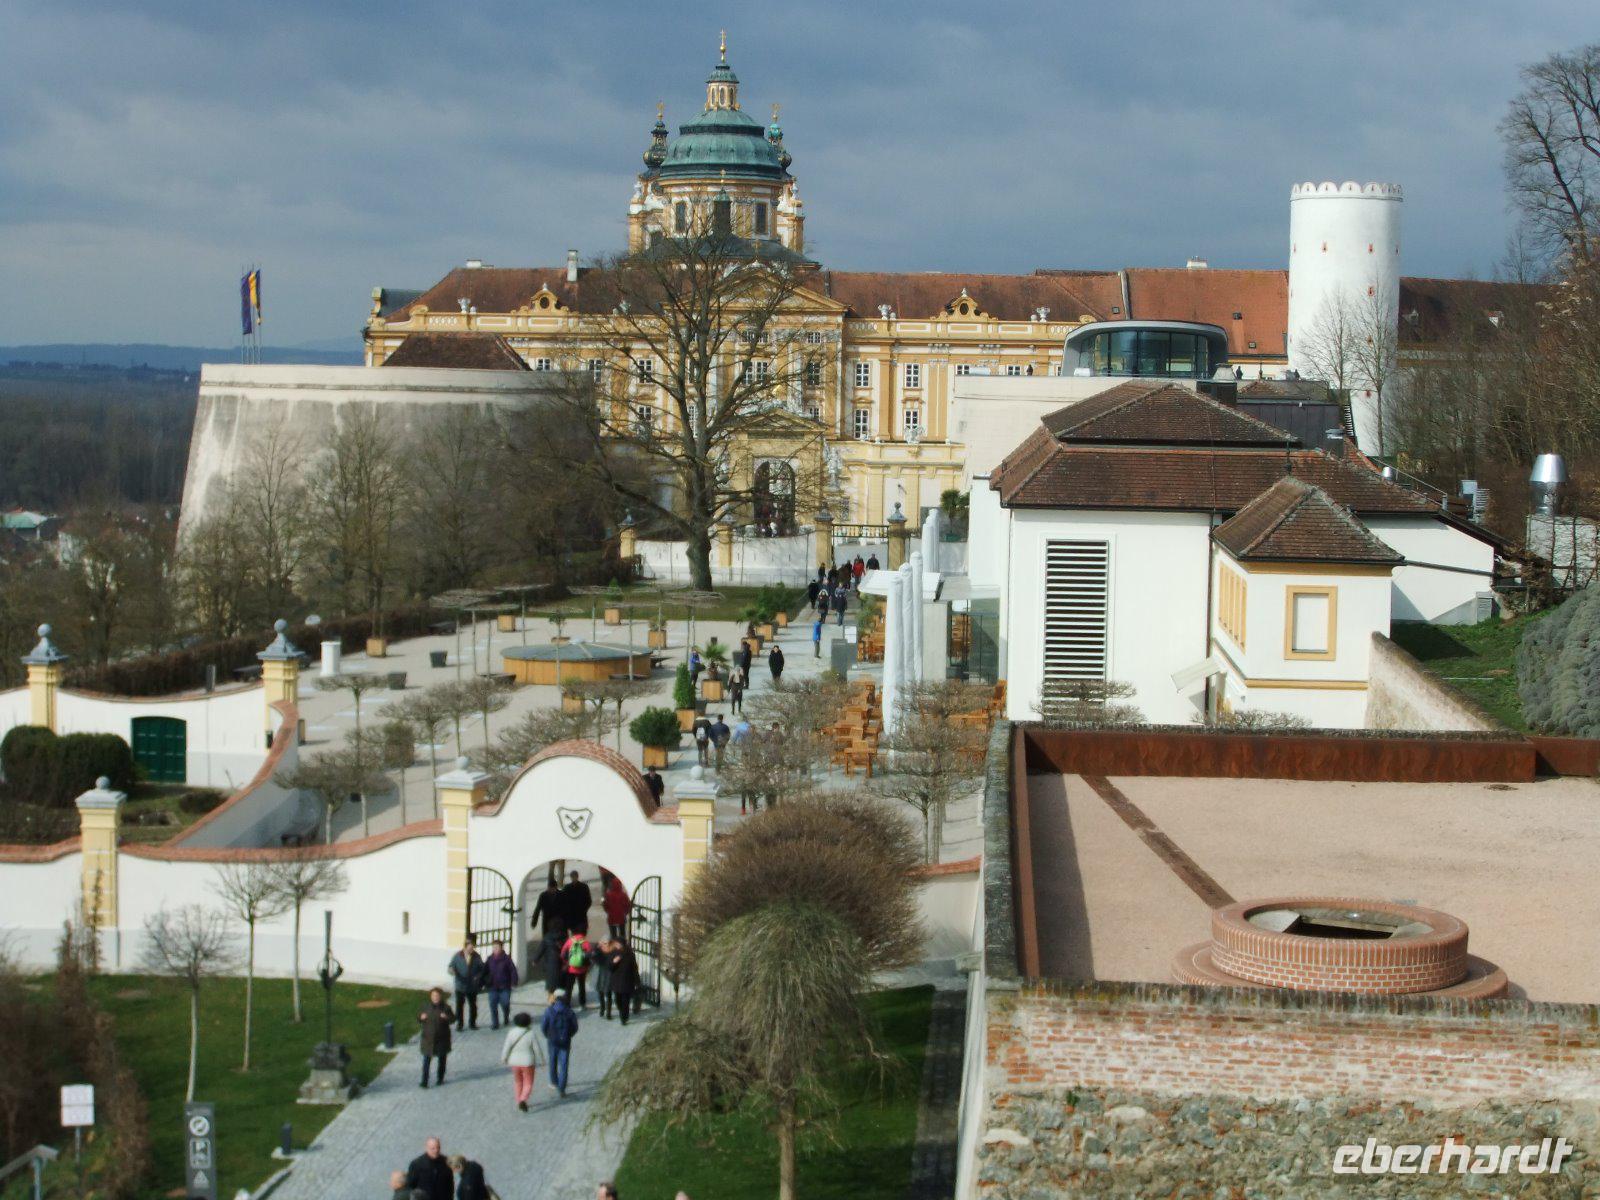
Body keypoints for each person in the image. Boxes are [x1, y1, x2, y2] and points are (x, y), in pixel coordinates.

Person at [500, 1010, 543, 1112]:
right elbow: (537, 1048)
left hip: (514, 1062)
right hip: (528, 1062)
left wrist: (504, 1058)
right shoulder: (531, 1033)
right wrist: (542, 1060)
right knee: (528, 1082)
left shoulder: (511, 1032)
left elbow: (507, 1046)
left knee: (518, 1082)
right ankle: (523, 1099)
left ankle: (518, 1100)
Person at [541, 989, 579, 1097]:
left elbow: (543, 1026)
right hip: (565, 1041)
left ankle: (554, 1081)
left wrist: (548, 1035)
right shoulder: (569, 1011)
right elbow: (575, 1027)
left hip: (552, 1040)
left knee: (552, 1060)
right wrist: (568, 1035)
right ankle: (562, 1088)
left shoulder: (549, 1010)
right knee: (564, 1064)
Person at [446, 938, 487, 1031]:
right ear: (465, 947)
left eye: (472, 948)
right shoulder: (457, 956)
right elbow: (450, 966)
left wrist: (478, 976)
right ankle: (460, 1024)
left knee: (473, 1005)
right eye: (469, 948)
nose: (471, 950)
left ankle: (472, 1023)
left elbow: (482, 969)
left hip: (472, 986)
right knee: (459, 1006)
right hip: (460, 985)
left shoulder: (477, 956)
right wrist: (452, 971)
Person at [605, 938, 642, 1026]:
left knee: (626, 1000)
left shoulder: (630, 954)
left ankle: (624, 1018)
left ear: (621, 944)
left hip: (627, 980)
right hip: (616, 981)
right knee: (617, 1000)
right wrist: (614, 962)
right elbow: (609, 967)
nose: (616, 945)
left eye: (617, 943)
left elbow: (634, 968)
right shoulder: (613, 953)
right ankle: (622, 1011)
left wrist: (637, 981)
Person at [484, 939, 518, 1030]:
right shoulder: (489, 959)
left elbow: (513, 970)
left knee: (505, 1003)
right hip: (493, 986)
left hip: (505, 986)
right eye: (494, 947)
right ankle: (495, 1023)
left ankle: (506, 1015)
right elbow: (484, 971)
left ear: (501, 948)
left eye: (497, 947)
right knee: (493, 1005)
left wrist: (514, 981)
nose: (495, 949)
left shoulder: (507, 958)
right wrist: (483, 982)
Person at [561, 927, 595, 1008]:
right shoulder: (585, 942)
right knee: (582, 986)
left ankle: (567, 1003)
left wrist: (567, 962)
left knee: (569, 987)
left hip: (571, 968)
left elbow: (562, 953)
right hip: (582, 969)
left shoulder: (569, 941)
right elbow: (590, 955)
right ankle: (582, 1004)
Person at [531, 876, 568, 942]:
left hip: (559, 921)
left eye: (553, 888)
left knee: (559, 939)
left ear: (556, 888)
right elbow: (538, 908)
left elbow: (566, 909)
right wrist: (534, 921)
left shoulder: (561, 895)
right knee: (548, 940)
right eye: (550, 888)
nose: (551, 890)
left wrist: (566, 922)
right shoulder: (543, 896)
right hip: (547, 921)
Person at [561, 869, 593, 935]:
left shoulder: (584, 887)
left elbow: (588, 900)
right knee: (575, 935)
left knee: (582, 935)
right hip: (572, 916)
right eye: (573, 877)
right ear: (571, 877)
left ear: (577, 877)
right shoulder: (567, 888)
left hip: (581, 915)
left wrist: (584, 909)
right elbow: (563, 902)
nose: (574, 878)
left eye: (575, 876)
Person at [602, 875, 632, 940]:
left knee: (613, 934)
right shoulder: (623, 895)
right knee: (622, 933)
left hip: (612, 917)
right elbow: (628, 905)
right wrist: (625, 913)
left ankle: (614, 945)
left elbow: (605, 905)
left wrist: (608, 911)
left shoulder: (608, 894)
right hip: (621, 917)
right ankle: (622, 946)